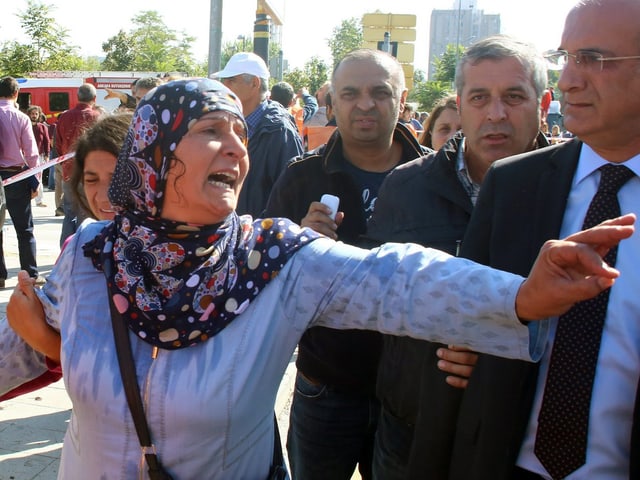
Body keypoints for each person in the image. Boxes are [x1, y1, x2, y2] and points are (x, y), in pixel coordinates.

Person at [3, 76, 633, 480]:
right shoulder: (93, 252)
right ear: (155, 151)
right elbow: (21, 347)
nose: (236, 149)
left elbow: (396, 281)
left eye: (240, 134)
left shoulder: (273, 259)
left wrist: (520, 296)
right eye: (208, 132)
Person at [448, 1, 640, 478]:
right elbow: (464, 332)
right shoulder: (513, 184)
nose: (570, 80)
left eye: (594, 59)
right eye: (568, 57)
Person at [366, 35, 551, 479]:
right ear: (461, 104)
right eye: (480, 98)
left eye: (514, 97)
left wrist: (499, 351)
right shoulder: (406, 186)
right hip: (409, 429)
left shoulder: (575, 194)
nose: (496, 114)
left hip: (518, 440)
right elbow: (378, 295)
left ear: (543, 102)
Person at [263, 48, 450, 480]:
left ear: (402, 102)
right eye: (350, 93)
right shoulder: (301, 178)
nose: (365, 103)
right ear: (331, 104)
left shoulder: (436, 178)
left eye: (380, 92)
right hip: (326, 382)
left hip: (414, 389)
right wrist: (299, 246)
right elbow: (265, 276)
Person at [0, 113, 131, 402]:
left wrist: (38, 333)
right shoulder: (87, 245)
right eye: (91, 179)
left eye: (119, 177)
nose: (104, 195)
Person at [213, 52, 303, 217]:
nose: (224, 86)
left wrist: (262, 233)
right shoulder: (231, 125)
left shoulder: (280, 132)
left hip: (263, 237)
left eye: (231, 80)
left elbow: (294, 196)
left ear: (255, 83)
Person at [0, 76, 42, 288]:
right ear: (16, 94)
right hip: (16, 177)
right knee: (24, 231)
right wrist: (36, 182)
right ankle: (30, 275)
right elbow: (32, 154)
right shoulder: (21, 118)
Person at [55, 83, 102, 245]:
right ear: (94, 98)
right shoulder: (97, 117)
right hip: (90, 173)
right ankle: (83, 251)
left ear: (77, 97)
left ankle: (65, 250)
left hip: (68, 171)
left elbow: (58, 144)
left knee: (69, 213)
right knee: (87, 214)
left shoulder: (64, 116)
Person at [27, 105, 51, 208]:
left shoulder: (42, 127)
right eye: (32, 114)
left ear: (39, 115)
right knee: (25, 179)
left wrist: (47, 154)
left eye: (36, 114)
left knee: (38, 179)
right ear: (29, 115)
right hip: (26, 156)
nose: (34, 115)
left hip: (39, 156)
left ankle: (39, 201)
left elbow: (47, 141)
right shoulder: (25, 125)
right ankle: (26, 200)